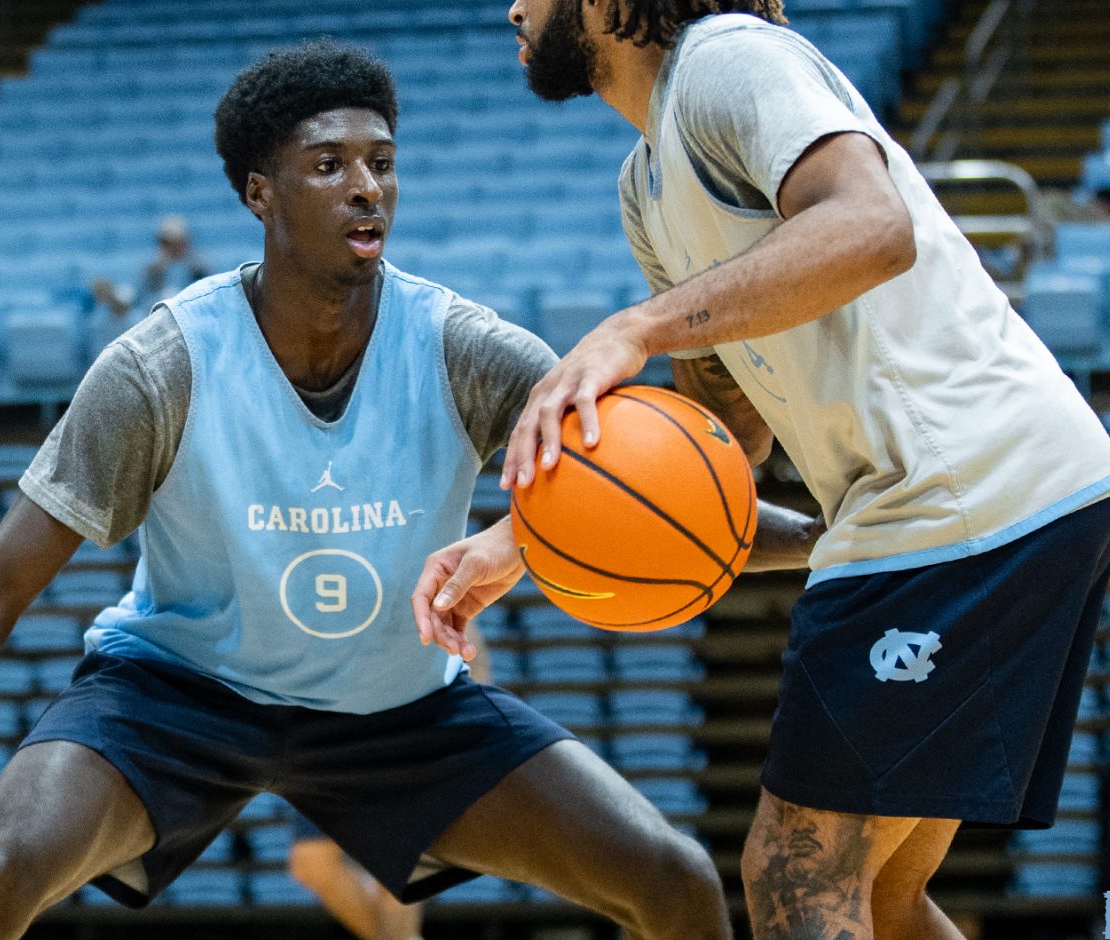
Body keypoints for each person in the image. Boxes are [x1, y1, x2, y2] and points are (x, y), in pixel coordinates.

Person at [0, 40, 817, 940]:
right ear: (258, 192)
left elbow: (679, 514)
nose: (366, 187)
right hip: (178, 696)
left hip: (400, 711)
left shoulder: (464, 349)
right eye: (329, 165)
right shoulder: (161, 366)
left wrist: (844, 535)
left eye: (381, 161)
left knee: (673, 878)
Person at [415, 2, 1110, 939]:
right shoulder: (645, 185)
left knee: (795, 876)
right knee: (882, 897)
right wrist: (524, 539)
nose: (513, 6)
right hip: (977, 496)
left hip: (969, 484)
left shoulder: (729, 60)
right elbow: (720, 446)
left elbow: (873, 225)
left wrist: (638, 327)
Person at [288, 622, 489, 940]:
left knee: (394, 868)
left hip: (405, 736)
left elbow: (469, 648)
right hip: (332, 736)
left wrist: (465, 728)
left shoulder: (414, 591)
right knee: (311, 862)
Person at [90, 214, 212, 327]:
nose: (173, 247)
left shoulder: (198, 269)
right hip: (153, 320)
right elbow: (137, 300)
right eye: (167, 242)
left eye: (177, 242)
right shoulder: (150, 270)